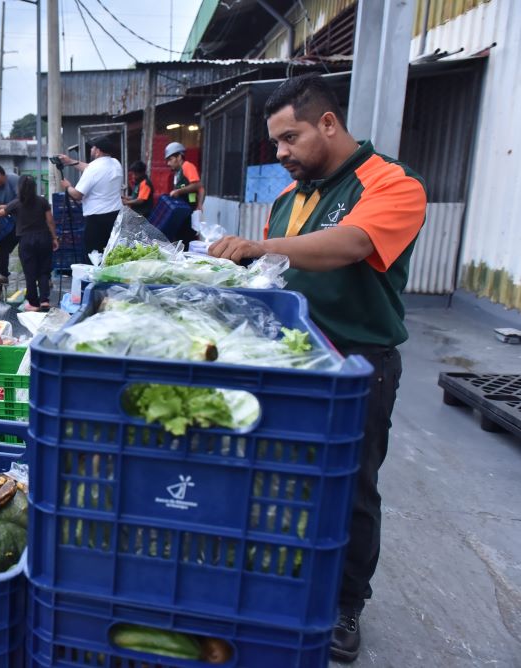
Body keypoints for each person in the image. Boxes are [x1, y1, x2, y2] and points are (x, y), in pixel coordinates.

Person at [207, 73, 426, 663]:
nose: (280, 154)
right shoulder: (288, 197)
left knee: (351, 489)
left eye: (290, 138)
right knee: (278, 478)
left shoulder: (392, 184)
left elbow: (352, 244)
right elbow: (277, 277)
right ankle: (281, 583)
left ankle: (344, 604)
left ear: (328, 123)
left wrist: (260, 248)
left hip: (356, 363)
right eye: (275, 143)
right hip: (286, 360)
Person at [0, 174, 58, 311]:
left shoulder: (17, 203)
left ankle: (33, 304)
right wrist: (54, 238)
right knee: (44, 271)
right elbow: (50, 221)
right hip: (44, 238)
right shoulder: (42, 201)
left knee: (30, 272)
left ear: (20, 187)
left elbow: (1, 212)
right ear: (34, 187)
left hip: (26, 240)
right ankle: (44, 301)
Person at [57, 137, 123, 257]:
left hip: (97, 219)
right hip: (116, 215)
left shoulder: (93, 169)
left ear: (97, 151)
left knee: (94, 254)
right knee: (112, 252)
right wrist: (70, 161)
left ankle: (97, 275)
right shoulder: (115, 163)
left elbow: (77, 195)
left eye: (93, 147)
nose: (91, 149)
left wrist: (67, 186)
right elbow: (90, 168)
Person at [163, 141, 205, 243]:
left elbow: (198, 185)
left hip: (189, 212)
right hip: (183, 212)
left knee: (186, 240)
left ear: (179, 157)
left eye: (170, 159)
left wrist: (179, 191)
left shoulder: (187, 166)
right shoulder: (177, 172)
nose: (168, 163)